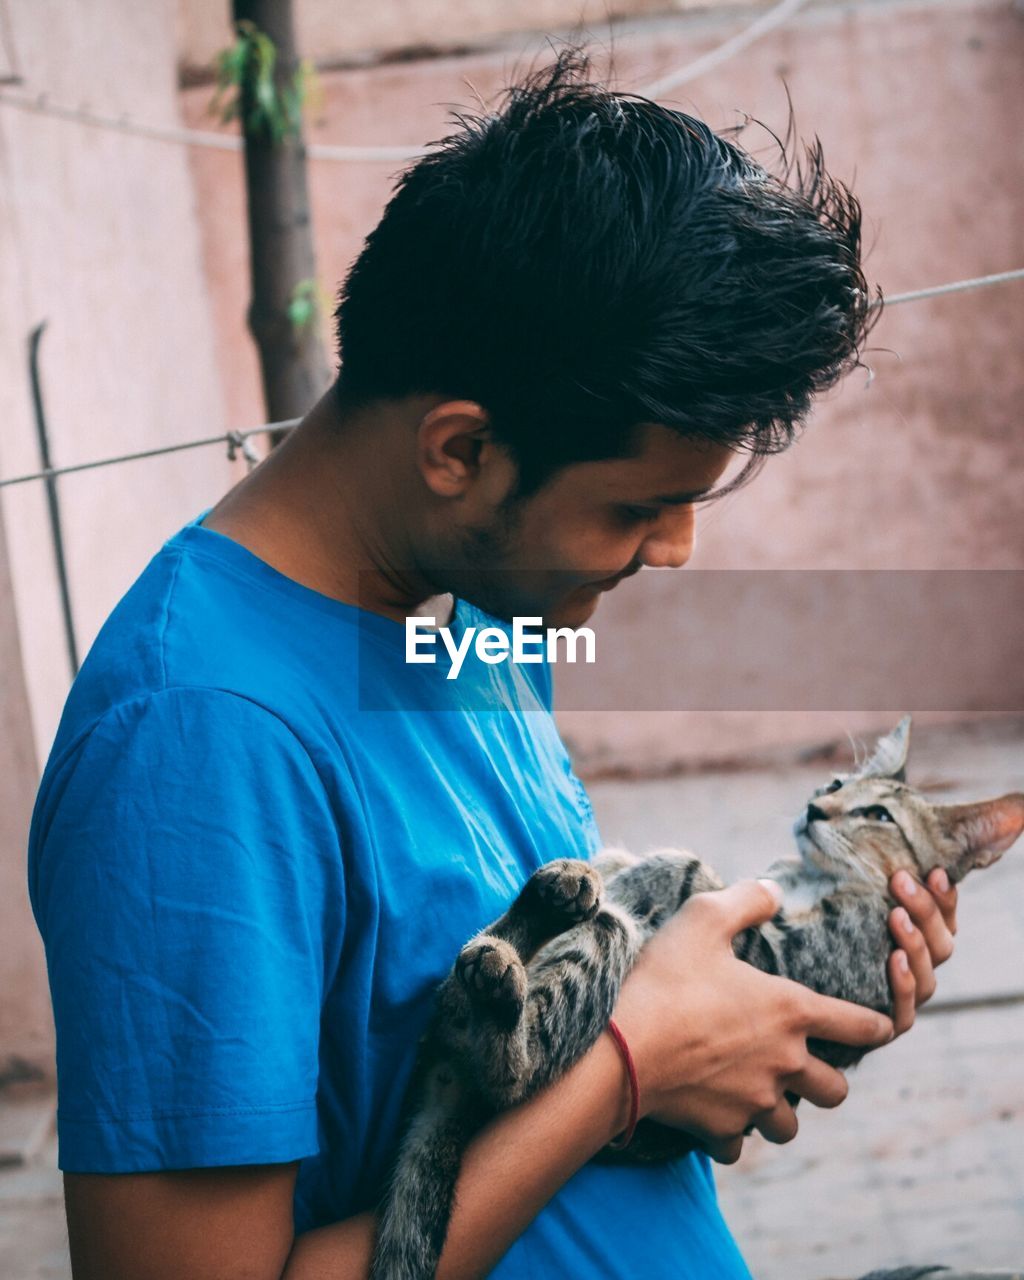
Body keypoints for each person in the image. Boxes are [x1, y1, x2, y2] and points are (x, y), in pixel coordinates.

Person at [28, 49, 957, 1280]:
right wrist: (637, 1067)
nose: (674, 550)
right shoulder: (200, 738)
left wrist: (772, 1000)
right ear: (460, 449)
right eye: (638, 507)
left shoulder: (471, 612)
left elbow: (515, 1038)